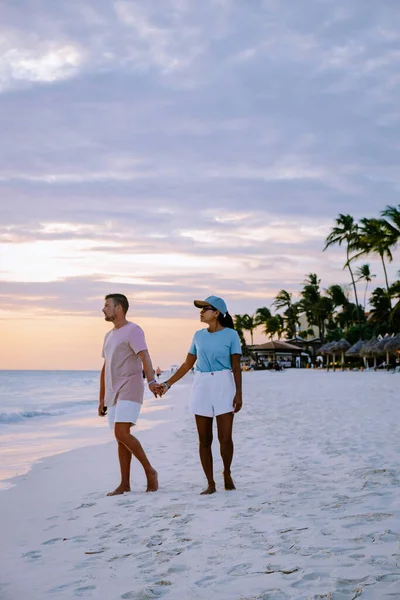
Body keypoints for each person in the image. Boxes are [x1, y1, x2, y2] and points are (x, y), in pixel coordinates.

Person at [160, 295, 242, 495]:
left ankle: (227, 472)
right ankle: (210, 483)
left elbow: (236, 366)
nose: (201, 311)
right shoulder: (198, 336)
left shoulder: (231, 335)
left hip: (224, 383)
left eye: (205, 308)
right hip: (202, 384)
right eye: (201, 308)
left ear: (217, 313)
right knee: (204, 439)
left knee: (225, 438)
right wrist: (167, 384)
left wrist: (239, 393)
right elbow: (188, 364)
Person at [99, 293, 159, 496]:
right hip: (113, 391)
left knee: (121, 432)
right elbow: (105, 367)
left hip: (130, 386)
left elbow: (145, 356)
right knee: (121, 438)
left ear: (119, 308)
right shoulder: (109, 336)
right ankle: (125, 484)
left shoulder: (134, 330)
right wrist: (101, 398)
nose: (103, 309)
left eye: (107, 305)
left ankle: (150, 471)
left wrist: (151, 381)